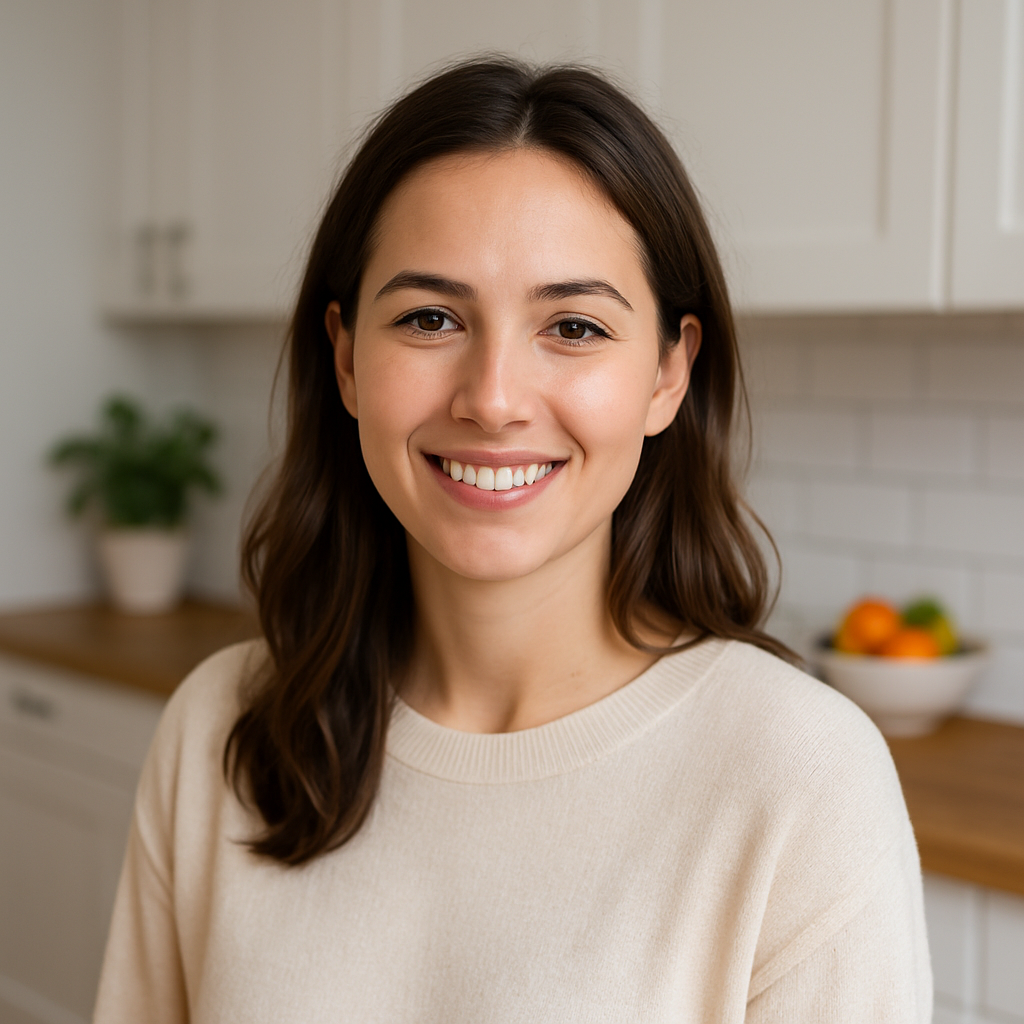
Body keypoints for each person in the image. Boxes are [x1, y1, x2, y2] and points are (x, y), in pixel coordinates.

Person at [93, 58, 931, 1023]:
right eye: (430, 318)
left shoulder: (801, 780)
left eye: (572, 326)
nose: (491, 399)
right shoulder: (219, 732)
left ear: (668, 375)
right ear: (346, 359)